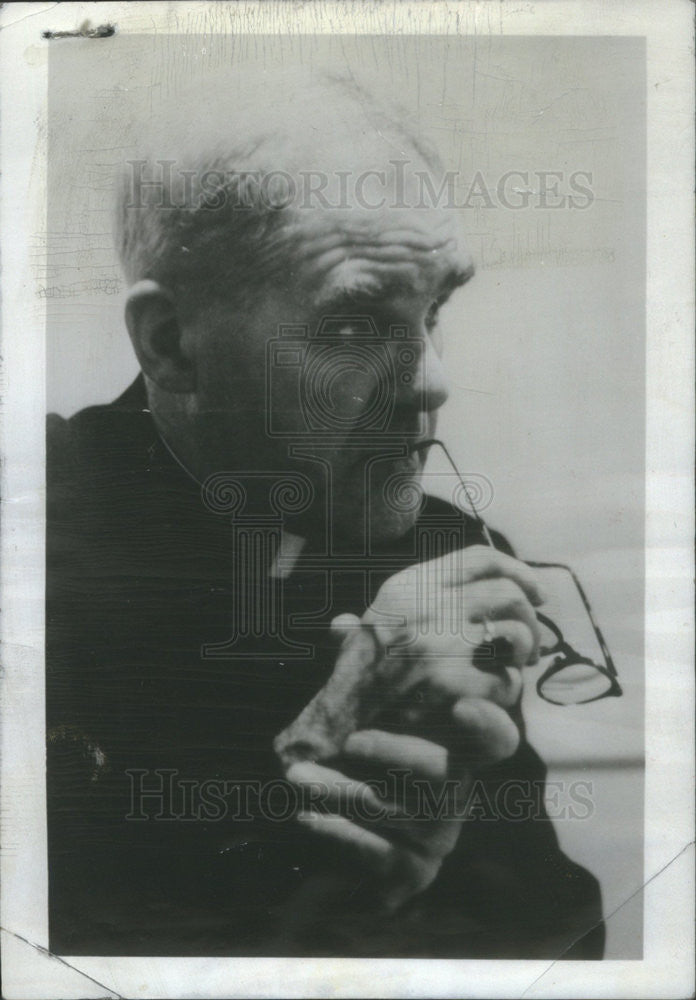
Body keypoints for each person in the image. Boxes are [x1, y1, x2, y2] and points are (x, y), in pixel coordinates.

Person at [46, 74, 604, 958]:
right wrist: (302, 822)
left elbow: (559, 940)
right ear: (171, 344)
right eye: (351, 328)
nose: (432, 381)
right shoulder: (32, 541)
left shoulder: (451, 554)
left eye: (434, 308)